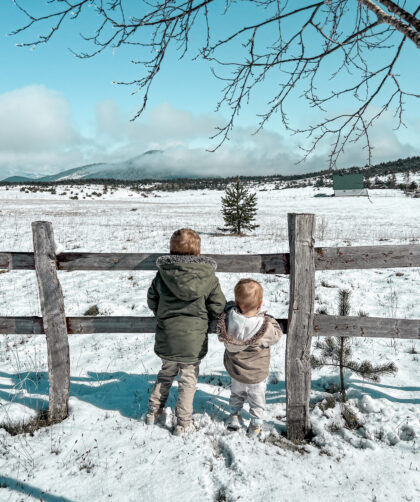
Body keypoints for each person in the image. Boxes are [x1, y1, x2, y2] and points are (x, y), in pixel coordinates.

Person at [146, 228, 226, 435]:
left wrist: (161, 314)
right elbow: (217, 305)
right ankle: (183, 421)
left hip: (168, 334)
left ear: (171, 252)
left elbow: (152, 298)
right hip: (194, 338)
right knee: (188, 380)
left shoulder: (163, 275)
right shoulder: (207, 277)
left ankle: (153, 411)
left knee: (165, 374)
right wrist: (210, 317)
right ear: (198, 253)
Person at [217, 278, 282, 437]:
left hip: (237, 371)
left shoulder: (228, 320)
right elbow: (277, 334)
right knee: (257, 398)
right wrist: (270, 319)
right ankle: (255, 424)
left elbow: (221, 328)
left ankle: (233, 415)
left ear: (237, 303)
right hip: (256, 374)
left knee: (236, 393)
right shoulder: (263, 326)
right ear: (259, 304)